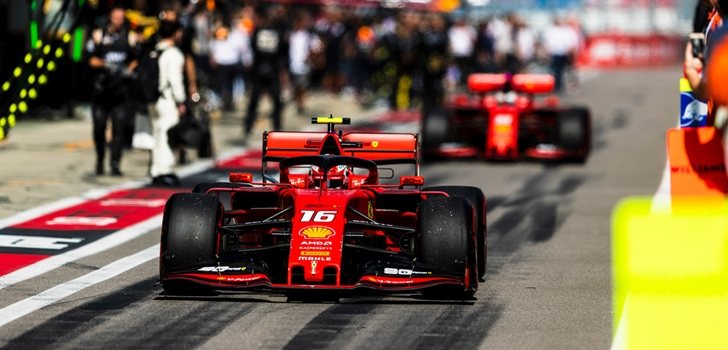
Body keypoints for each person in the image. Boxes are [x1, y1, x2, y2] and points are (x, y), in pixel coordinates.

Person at [87, 6, 138, 176]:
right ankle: (100, 160)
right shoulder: (98, 35)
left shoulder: (129, 36)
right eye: (116, 18)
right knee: (99, 128)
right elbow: (90, 60)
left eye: (121, 18)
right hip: (101, 92)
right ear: (110, 17)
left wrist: (128, 69)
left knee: (119, 129)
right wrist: (106, 65)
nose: (118, 21)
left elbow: (136, 59)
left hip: (120, 93)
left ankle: (115, 163)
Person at [243, 8, 288, 144]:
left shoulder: (271, 32)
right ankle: (251, 125)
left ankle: (274, 125)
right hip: (264, 70)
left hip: (269, 70)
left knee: (272, 100)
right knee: (258, 100)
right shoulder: (265, 32)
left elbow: (282, 53)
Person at [149, 20, 186, 186]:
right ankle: (164, 171)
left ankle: (156, 169)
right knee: (166, 135)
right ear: (175, 33)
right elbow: (175, 80)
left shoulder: (154, 50)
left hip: (152, 98)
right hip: (167, 99)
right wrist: (181, 101)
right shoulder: (174, 53)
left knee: (157, 133)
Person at [541, 16, 579, 93]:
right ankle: (555, 86)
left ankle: (566, 86)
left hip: (564, 53)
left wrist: (572, 52)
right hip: (555, 53)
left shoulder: (567, 30)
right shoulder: (550, 30)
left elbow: (572, 42)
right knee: (555, 71)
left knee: (564, 71)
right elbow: (546, 43)